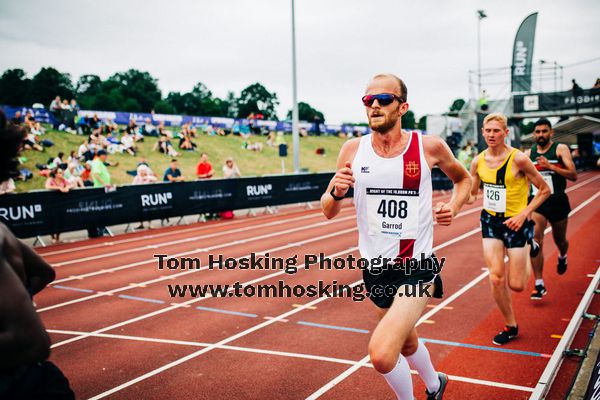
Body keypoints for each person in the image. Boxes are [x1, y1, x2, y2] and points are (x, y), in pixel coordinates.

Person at [321, 73, 472, 400]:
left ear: (402, 106)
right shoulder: (352, 149)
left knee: (382, 353)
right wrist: (336, 191)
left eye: (384, 99)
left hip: (417, 266)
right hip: (375, 268)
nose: (374, 105)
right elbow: (328, 209)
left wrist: (455, 207)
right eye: (368, 100)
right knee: (405, 341)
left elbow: (464, 180)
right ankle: (435, 385)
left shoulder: (428, 146)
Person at [0, 109, 75, 399]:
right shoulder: (4, 231)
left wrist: (18, 303)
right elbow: (44, 272)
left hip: (21, 387)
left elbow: (32, 341)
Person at [467, 113, 550, 345]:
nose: (491, 135)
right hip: (491, 221)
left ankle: (530, 244)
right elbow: (473, 195)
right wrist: (456, 199)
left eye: (496, 131)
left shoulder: (519, 159)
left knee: (517, 285)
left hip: (517, 222)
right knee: (495, 278)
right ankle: (511, 325)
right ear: (482, 132)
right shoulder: (478, 161)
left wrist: (524, 213)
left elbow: (544, 190)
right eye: (488, 130)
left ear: (506, 133)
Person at [526, 118, 577, 299]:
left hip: (558, 201)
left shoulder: (560, 149)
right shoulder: (528, 154)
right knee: (536, 239)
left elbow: (573, 175)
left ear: (551, 132)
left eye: (544, 131)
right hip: (538, 202)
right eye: (538, 132)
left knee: (560, 240)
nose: (541, 135)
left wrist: (551, 167)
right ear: (534, 134)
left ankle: (563, 255)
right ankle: (539, 284)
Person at [45, 168, 73, 243]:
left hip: (61, 203)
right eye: (60, 173)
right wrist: (59, 188)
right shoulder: (51, 179)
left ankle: (57, 237)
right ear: (55, 174)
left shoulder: (63, 179)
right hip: (51, 203)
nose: (62, 174)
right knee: (52, 220)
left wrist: (67, 187)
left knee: (61, 220)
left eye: (62, 172)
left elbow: (73, 184)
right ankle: (52, 237)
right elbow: (47, 186)